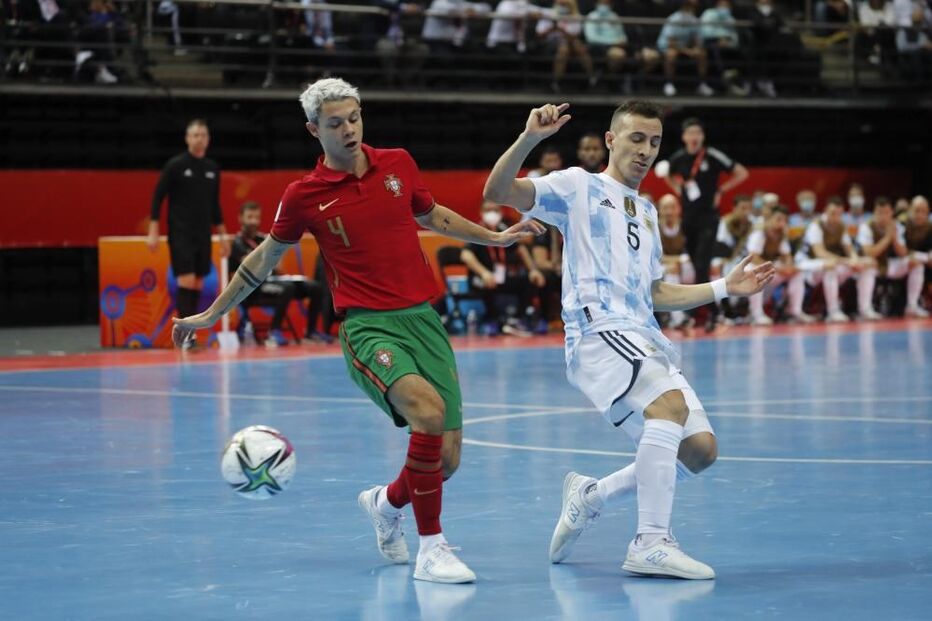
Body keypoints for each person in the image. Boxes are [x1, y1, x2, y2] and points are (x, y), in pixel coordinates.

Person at [172, 78, 544, 583]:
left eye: (354, 118)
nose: (348, 129)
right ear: (314, 130)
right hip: (368, 327)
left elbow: (432, 215)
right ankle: (431, 548)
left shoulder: (398, 164)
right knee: (428, 414)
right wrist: (212, 314)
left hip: (423, 320)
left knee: (446, 460)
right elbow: (262, 260)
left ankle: (385, 504)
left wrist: (494, 239)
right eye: (335, 123)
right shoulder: (303, 195)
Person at [483, 100, 775, 579]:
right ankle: (650, 542)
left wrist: (725, 287)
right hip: (598, 330)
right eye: (636, 138)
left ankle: (590, 496)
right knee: (668, 409)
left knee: (699, 450)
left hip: (643, 334)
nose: (645, 150)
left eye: (654, 142)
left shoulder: (648, 211)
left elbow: (655, 293)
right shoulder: (578, 186)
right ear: (611, 139)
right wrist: (530, 138)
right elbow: (497, 190)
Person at [660, 117, 749, 331]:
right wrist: (679, 191)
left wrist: (721, 190)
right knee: (697, 266)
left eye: (697, 133)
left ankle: (706, 314)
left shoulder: (712, 155)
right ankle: (713, 312)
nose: (694, 137)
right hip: (688, 220)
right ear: (684, 137)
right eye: (690, 133)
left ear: (702, 137)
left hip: (709, 218)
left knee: (702, 266)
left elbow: (741, 172)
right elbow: (667, 175)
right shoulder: (678, 158)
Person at [149, 118, 230, 349]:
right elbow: (158, 196)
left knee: (197, 283)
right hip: (180, 233)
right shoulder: (175, 165)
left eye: (203, 135)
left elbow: (215, 205)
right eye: (195, 135)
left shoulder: (212, 169)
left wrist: (223, 235)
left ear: (208, 139)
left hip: (202, 234)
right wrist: (154, 229)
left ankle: (189, 333)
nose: (199, 139)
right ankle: (185, 336)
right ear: (187, 138)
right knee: (185, 279)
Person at [230, 201, 330, 345]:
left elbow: (277, 266)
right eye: (249, 217)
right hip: (253, 289)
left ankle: (311, 332)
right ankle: (274, 331)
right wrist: (268, 259)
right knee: (287, 288)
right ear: (241, 218)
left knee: (315, 287)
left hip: (273, 281)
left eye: (256, 217)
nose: (253, 221)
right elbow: (252, 267)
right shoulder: (237, 243)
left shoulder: (264, 239)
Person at [460, 201, 546, 335]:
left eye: (495, 210)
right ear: (481, 212)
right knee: (487, 283)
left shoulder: (504, 228)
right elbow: (466, 255)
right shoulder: (476, 231)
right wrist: (483, 273)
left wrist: (533, 270)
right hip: (481, 277)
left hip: (501, 276)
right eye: (488, 210)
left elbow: (520, 249)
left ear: (500, 212)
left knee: (528, 281)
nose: (492, 214)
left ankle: (518, 319)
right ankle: (491, 320)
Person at [793, 197, 874, 323]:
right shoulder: (816, 225)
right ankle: (833, 312)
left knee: (867, 264)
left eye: (839, 214)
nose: (836, 217)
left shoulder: (841, 226)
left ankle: (865, 309)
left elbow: (849, 249)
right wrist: (847, 261)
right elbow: (820, 253)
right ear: (826, 211)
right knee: (830, 266)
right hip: (806, 263)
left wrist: (855, 260)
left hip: (829, 263)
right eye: (833, 213)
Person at [857, 196, 928, 318]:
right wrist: (887, 238)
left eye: (886, 213)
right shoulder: (866, 226)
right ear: (874, 212)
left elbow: (903, 253)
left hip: (890, 264)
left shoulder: (897, 226)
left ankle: (912, 306)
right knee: (868, 265)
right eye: (880, 212)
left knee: (915, 263)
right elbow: (870, 253)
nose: (883, 216)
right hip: (873, 264)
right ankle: (865, 309)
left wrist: (894, 238)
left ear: (891, 213)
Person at [746, 205, 815, 325]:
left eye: (784, 220)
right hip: (745, 274)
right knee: (754, 271)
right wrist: (777, 268)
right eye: (779, 219)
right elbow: (753, 258)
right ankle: (756, 314)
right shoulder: (759, 233)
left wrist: (789, 267)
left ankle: (795, 311)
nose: (782, 223)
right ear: (770, 218)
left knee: (797, 273)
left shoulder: (781, 235)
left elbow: (787, 256)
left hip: (769, 269)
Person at [656, 0, 715, 97]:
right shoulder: (674, 19)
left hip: (685, 48)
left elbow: (697, 40)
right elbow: (671, 43)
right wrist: (688, 51)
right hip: (667, 47)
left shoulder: (694, 20)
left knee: (702, 53)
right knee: (671, 54)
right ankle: (669, 84)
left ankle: (701, 84)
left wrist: (696, 48)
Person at [657, 194, 696, 330]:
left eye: (672, 207)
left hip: (686, 267)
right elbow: (657, 257)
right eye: (665, 208)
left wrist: (680, 261)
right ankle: (678, 318)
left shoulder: (687, 226)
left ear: (679, 209)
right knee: (672, 269)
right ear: (659, 210)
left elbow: (694, 253)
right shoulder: (654, 227)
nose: (669, 212)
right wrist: (678, 260)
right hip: (661, 268)